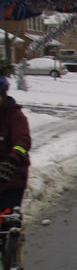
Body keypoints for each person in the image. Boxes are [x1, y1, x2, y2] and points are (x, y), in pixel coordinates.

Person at [0, 75, 31, 212]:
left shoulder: (15, 116)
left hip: (11, 179)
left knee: (7, 218)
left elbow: (22, 142)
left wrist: (12, 160)